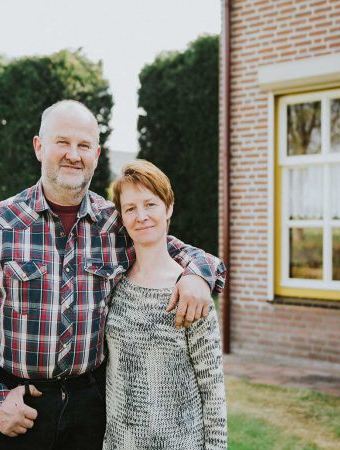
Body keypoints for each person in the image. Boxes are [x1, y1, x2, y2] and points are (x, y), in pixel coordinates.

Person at [0, 99, 225, 450]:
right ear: (39, 146)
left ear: (96, 154)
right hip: (18, 408)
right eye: (62, 142)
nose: (73, 154)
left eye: (84, 145)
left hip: (91, 413)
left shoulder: (116, 223)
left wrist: (197, 276)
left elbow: (180, 251)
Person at [103, 160, 227, 450]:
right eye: (130, 208)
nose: (141, 216)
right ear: (122, 217)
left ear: (168, 207)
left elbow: (212, 388)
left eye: (150, 204)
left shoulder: (191, 292)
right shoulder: (114, 284)